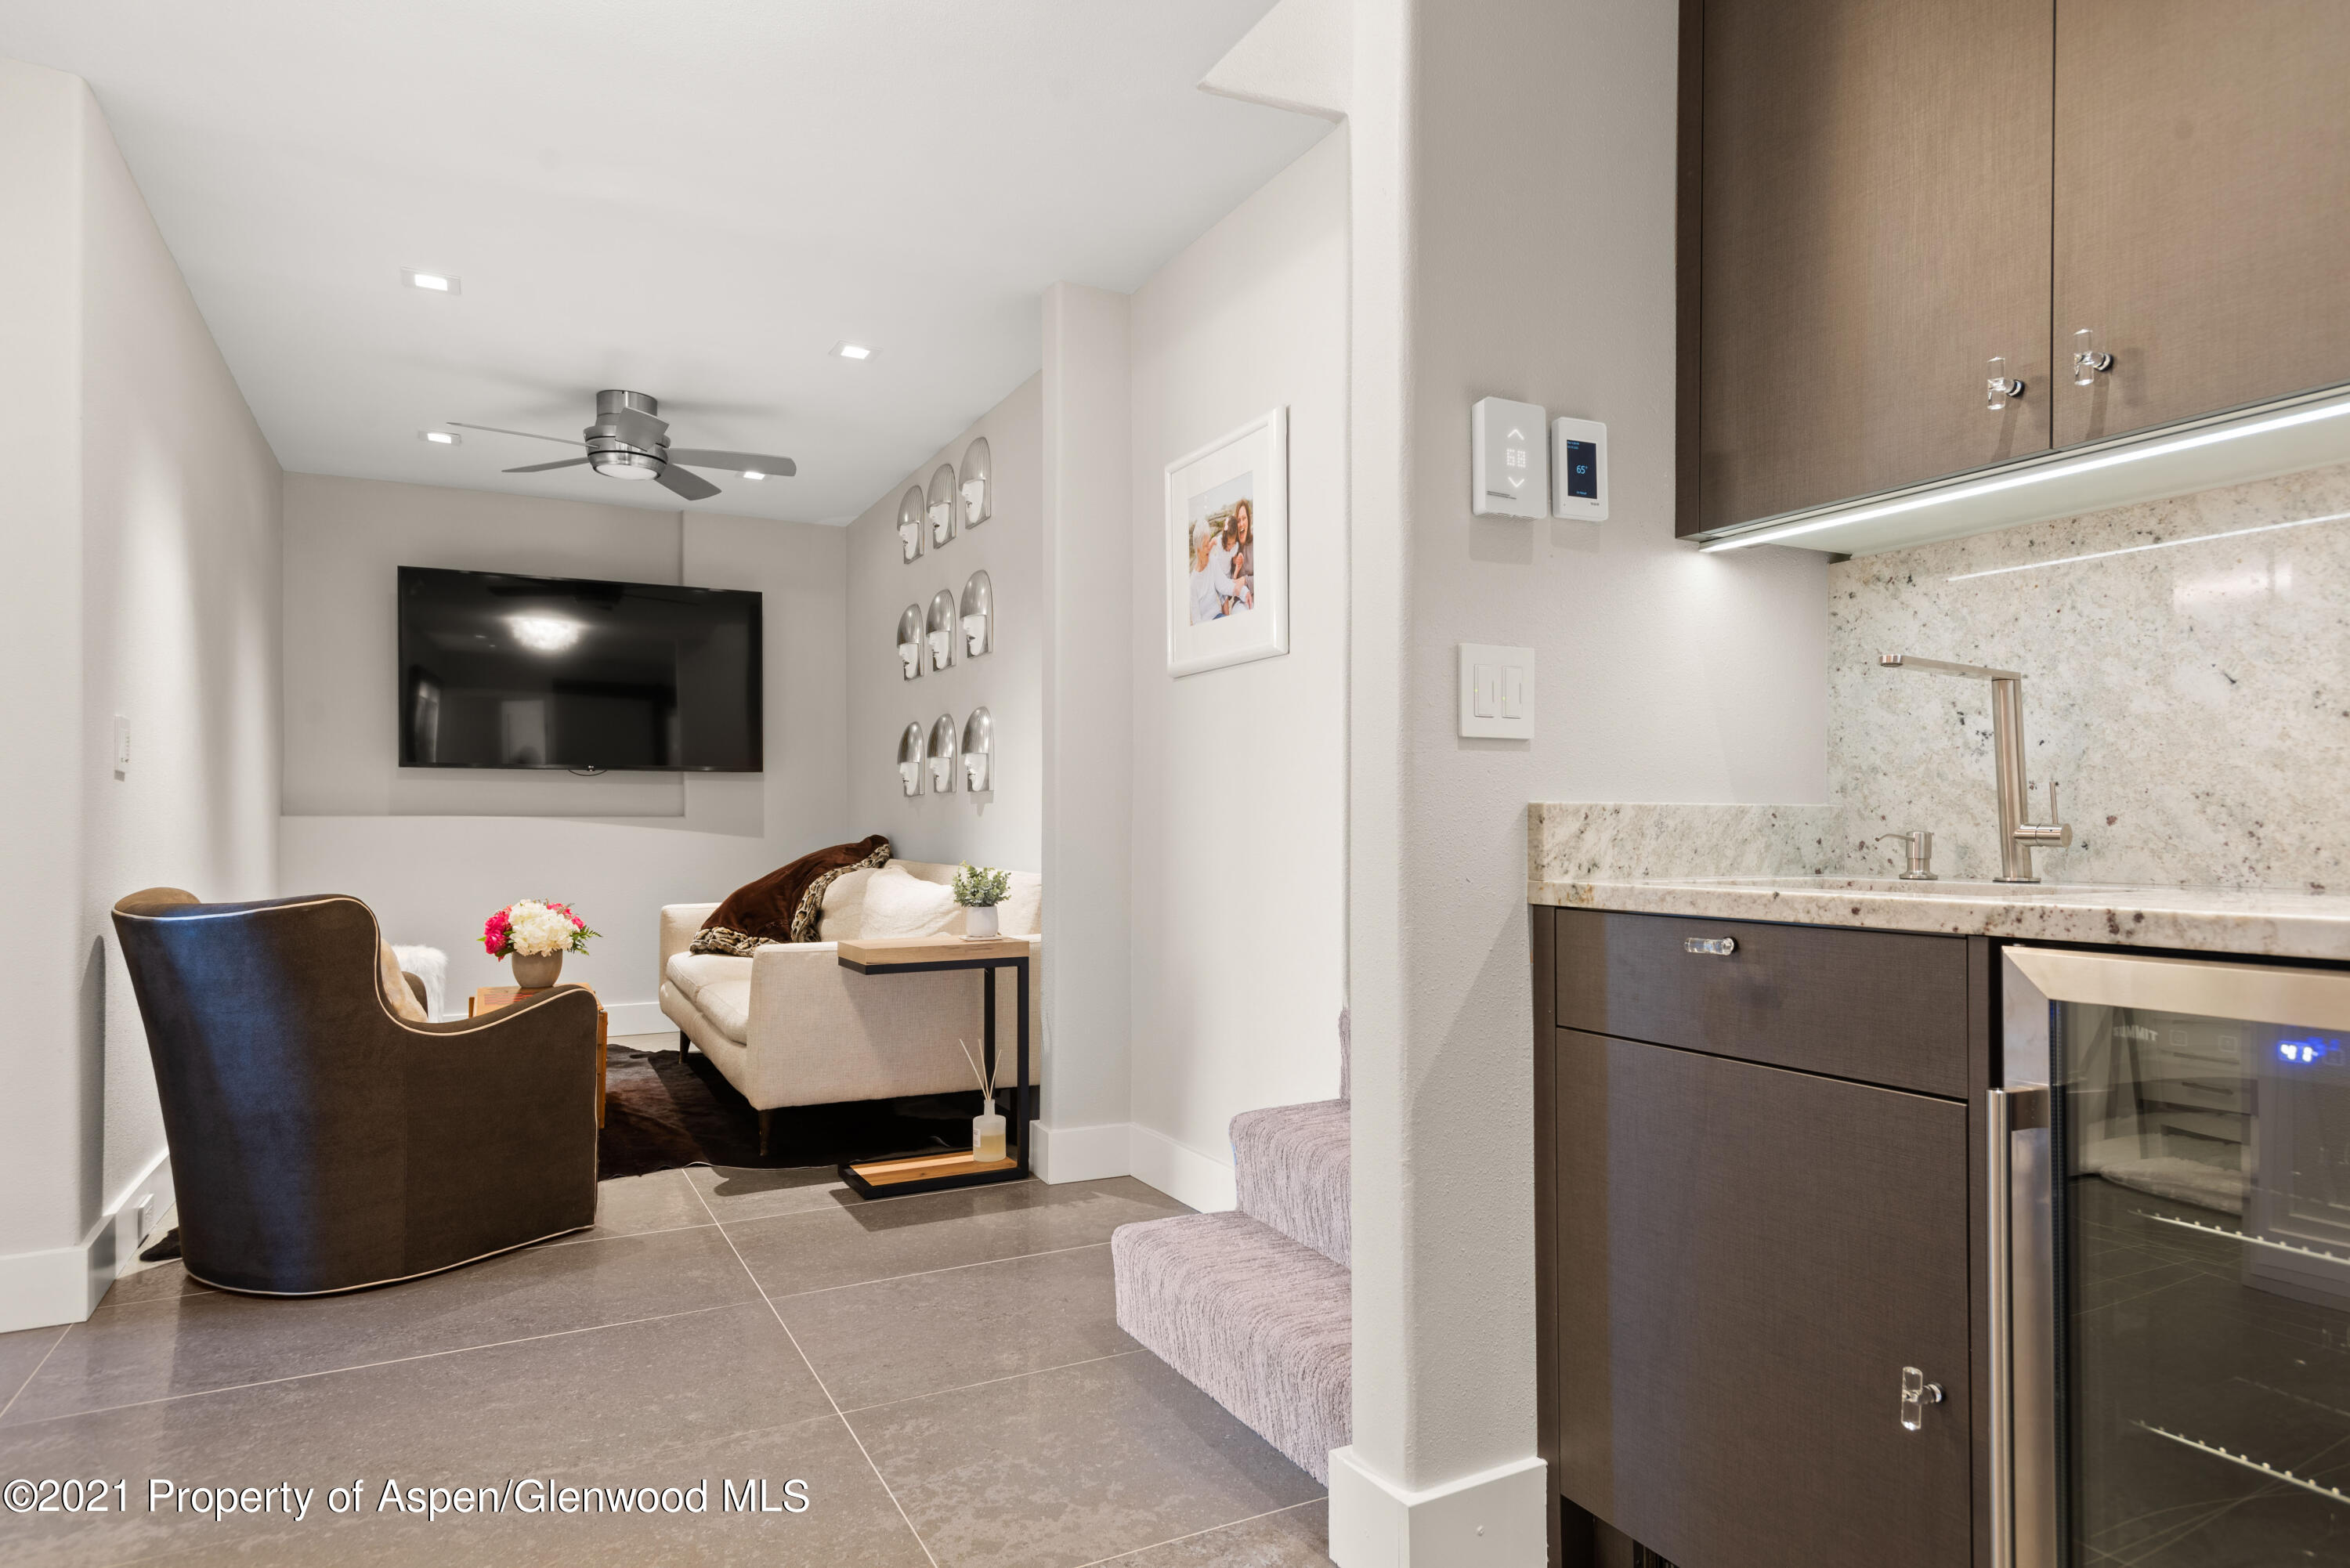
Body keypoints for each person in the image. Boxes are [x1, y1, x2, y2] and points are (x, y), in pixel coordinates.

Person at [1188, 526, 1224, 624]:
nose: (1209, 548)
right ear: (1198, 549)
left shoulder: (1212, 561)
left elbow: (1223, 586)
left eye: (1209, 543)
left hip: (1218, 616)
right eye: (1206, 545)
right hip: (1205, 624)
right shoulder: (1193, 582)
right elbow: (1196, 619)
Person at [1225, 498, 1255, 611]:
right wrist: (1237, 569)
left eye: (1244, 518)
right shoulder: (1231, 549)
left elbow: (1265, 577)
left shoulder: (1256, 543)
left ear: (1249, 520)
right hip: (1240, 602)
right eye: (1238, 520)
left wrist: (1244, 580)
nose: (1241, 523)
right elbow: (1228, 594)